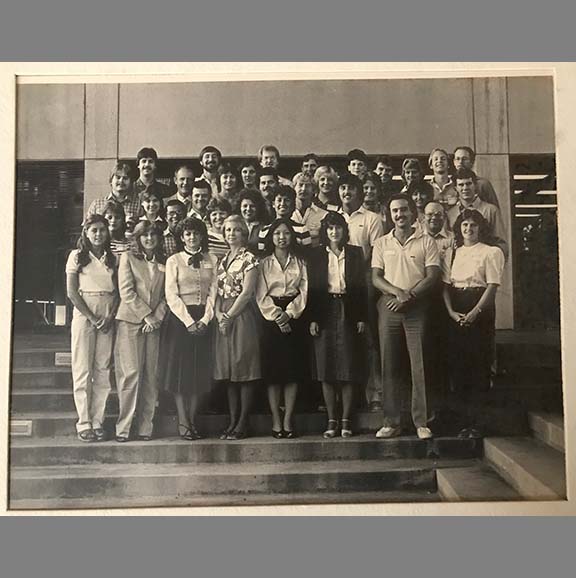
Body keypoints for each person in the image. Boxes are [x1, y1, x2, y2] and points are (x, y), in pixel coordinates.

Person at [371, 195, 441, 440]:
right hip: (389, 306)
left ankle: (422, 421)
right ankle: (391, 422)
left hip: (417, 307)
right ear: (389, 214)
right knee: (389, 364)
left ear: (413, 213)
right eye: (394, 211)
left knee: (419, 365)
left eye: (403, 210)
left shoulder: (426, 241)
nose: (399, 215)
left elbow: (432, 276)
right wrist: (397, 293)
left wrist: (409, 295)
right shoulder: (381, 243)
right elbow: (376, 277)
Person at [443, 209, 505, 438]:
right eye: (465, 225)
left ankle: (478, 424)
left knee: (479, 365)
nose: (469, 229)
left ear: (481, 228)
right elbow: (446, 287)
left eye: (473, 225)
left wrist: (474, 313)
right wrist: (451, 312)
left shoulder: (491, 252)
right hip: (457, 308)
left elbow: (492, 286)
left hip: (480, 307)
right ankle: (463, 423)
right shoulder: (453, 253)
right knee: (459, 366)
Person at [308, 212, 367, 438]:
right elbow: (312, 289)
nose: (334, 232)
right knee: (326, 367)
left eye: (338, 228)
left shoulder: (354, 253)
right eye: (330, 228)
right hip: (324, 311)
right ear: (325, 231)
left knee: (348, 366)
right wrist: (313, 318)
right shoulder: (316, 255)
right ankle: (331, 420)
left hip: (348, 310)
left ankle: (346, 420)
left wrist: (361, 317)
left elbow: (361, 287)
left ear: (344, 230)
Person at [158, 217, 218, 440]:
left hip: (203, 318)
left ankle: (192, 419)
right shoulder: (174, 260)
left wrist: (205, 319)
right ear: (181, 237)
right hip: (180, 321)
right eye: (188, 234)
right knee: (180, 373)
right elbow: (171, 295)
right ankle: (183, 420)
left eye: (196, 233)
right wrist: (189, 321)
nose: (192, 237)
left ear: (202, 235)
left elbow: (214, 292)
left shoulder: (211, 259)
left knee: (198, 374)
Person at [65, 214, 118, 442]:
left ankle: (97, 421)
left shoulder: (113, 258)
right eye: (94, 230)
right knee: (83, 368)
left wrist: (109, 316)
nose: (98, 234)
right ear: (86, 233)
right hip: (84, 313)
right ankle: (84, 421)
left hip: (107, 313)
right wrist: (91, 317)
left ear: (108, 232)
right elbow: (71, 292)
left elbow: (117, 292)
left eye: (102, 230)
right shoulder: (77, 257)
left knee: (103, 369)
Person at [114, 222, 167, 442]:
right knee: (131, 374)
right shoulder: (128, 258)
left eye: (153, 234)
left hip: (154, 324)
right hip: (130, 321)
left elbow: (168, 294)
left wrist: (156, 318)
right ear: (137, 238)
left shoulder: (164, 261)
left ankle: (146, 427)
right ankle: (123, 428)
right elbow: (126, 291)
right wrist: (146, 315)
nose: (149, 238)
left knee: (151, 376)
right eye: (144, 235)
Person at [256, 219, 309, 438]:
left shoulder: (300, 263)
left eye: (286, 233)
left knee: (292, 371)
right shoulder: (264, 264)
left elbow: (305, 290)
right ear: (271, 237)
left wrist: (290, 313)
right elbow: (260, 294)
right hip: (270, 318)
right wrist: (278, 316)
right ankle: (276, 421)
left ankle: (288, 420)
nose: (281, 237)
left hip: (294, 314)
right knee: (274, 372)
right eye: (277, 233)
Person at [214, 215, 262, 440]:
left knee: (243, 369)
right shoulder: (221, 259)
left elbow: (247, 293)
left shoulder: (250, 259)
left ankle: (243, 422)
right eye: (228, 230)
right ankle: (232, 421)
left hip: (241, 315)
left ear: (244, 233)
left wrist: (229, 316)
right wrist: (218, 315)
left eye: (236, 230)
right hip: (222, 314)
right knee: (229, 373)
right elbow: (214, 291)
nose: (231, 234)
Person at [448, 168, 508, 259]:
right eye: (461, 185)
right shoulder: (451, 214)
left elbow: (501, 245)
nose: (465, 188)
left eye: (468, 184)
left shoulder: (491, 210)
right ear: (455, 188)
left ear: (475, 185)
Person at [337, 173, 384, 261]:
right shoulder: (333, 217)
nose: (346, 192)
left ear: (358, 191)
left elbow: (376, 254)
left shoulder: (373, 219)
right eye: (343, 188)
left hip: (362, 272)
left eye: (351, 188)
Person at [257, 186, 312, 254]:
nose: (282, 204)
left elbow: (308, 256)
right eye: (279, 200)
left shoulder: (302, 229)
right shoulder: (264, 231)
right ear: (273, 204)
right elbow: (262, 256)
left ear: (292, 204)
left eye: (287, 200)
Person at [86, 162, 141, 228]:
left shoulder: (137, 204)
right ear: (111, 181)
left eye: (125, 178)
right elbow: (86, 228)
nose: (121, 181)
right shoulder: (97, 204)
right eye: (118, 177)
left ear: (130, 182)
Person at [291, 172, 328, 247]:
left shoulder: (324, 215)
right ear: (294, 188)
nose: (303, 189)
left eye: (307, 186)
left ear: (313, 190)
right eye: (300, 185)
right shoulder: (286, 213)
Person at [237, 188, 267, 254]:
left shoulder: (264, 229)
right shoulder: (235, 226)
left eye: (252, 206)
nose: (248, 209)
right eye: (245, 206)